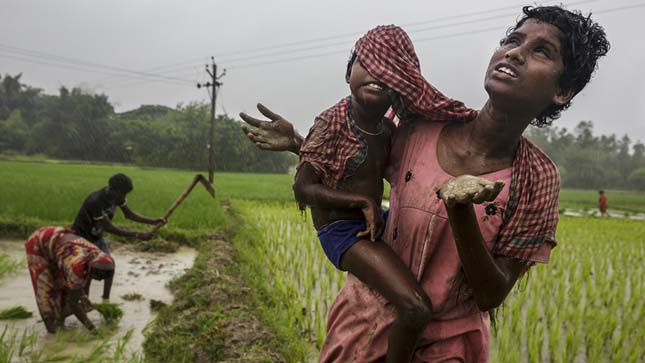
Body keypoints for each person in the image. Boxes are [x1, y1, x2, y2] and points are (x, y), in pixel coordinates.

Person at [240, 5, 609, 362]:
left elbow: (491, 293)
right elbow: (356, 165)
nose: (514, 53)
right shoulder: (421, 130)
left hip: (449, 346)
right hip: (364, 327)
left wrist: (459, 208)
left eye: (541, 51)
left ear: (563, 92)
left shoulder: (536, 180)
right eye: (513, 40)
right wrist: (300, 145)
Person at [291, 25, 501, 363]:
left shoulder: (388, 129)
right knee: (416, 307)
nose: (377, 76)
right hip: (342, 231)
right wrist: (362, 202)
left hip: (375, 221)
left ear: (400, 88)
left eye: (389, 72)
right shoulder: (332, 122)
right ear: (348, 72)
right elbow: (303, 187)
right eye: (369, 64)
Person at [71, 173, 165, 299]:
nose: (124, 197)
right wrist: (137, 234)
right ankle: (84, 300)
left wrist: (153, 221)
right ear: (112, 189)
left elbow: (129, 215)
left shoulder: (118, 196)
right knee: (88, 271)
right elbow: (109, 228)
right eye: (122, 193)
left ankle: (106, 299)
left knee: (110, 267)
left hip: (97, 237)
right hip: (82, 238)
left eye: (125, 194)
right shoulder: (95, 201)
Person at [25, 226, 115, 334]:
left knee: (64, 288)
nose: (99, 281)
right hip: (39, 244)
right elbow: (73, 303)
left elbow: (78, 284)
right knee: (46, 292)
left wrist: (86, 297)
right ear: (90, 268)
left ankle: (59, 320)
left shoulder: (105, 261)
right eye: (96, 277)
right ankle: (52, 331)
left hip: (59, 245)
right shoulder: (77, 266)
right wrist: (92, 329)